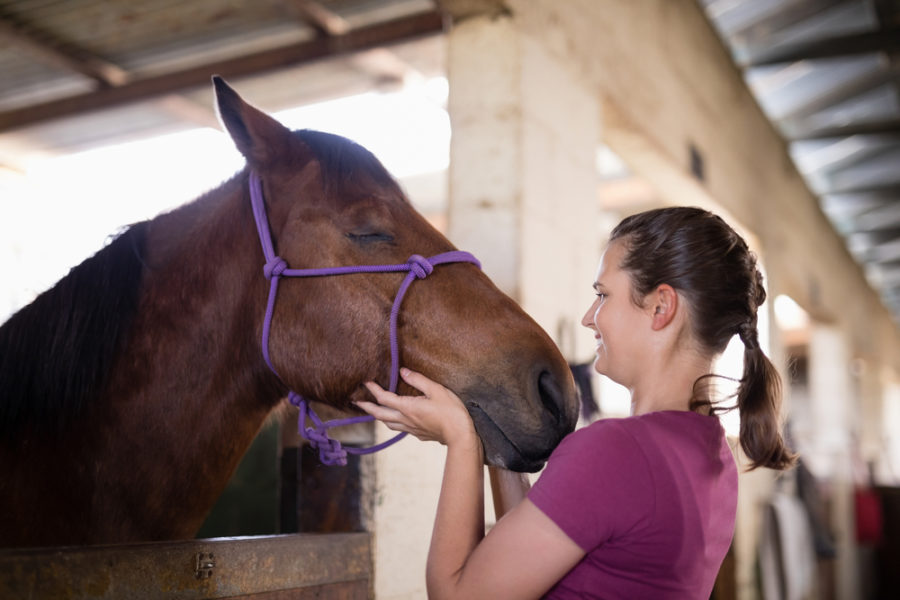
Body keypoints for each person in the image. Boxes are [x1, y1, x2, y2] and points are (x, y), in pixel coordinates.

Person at [356, 206, 795, 599]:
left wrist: (460, 440)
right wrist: (490, 425)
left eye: (602, 295)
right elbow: (535, 561)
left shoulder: (618, 452)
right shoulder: (711, 453)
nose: (589, 316)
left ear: (661, 307)